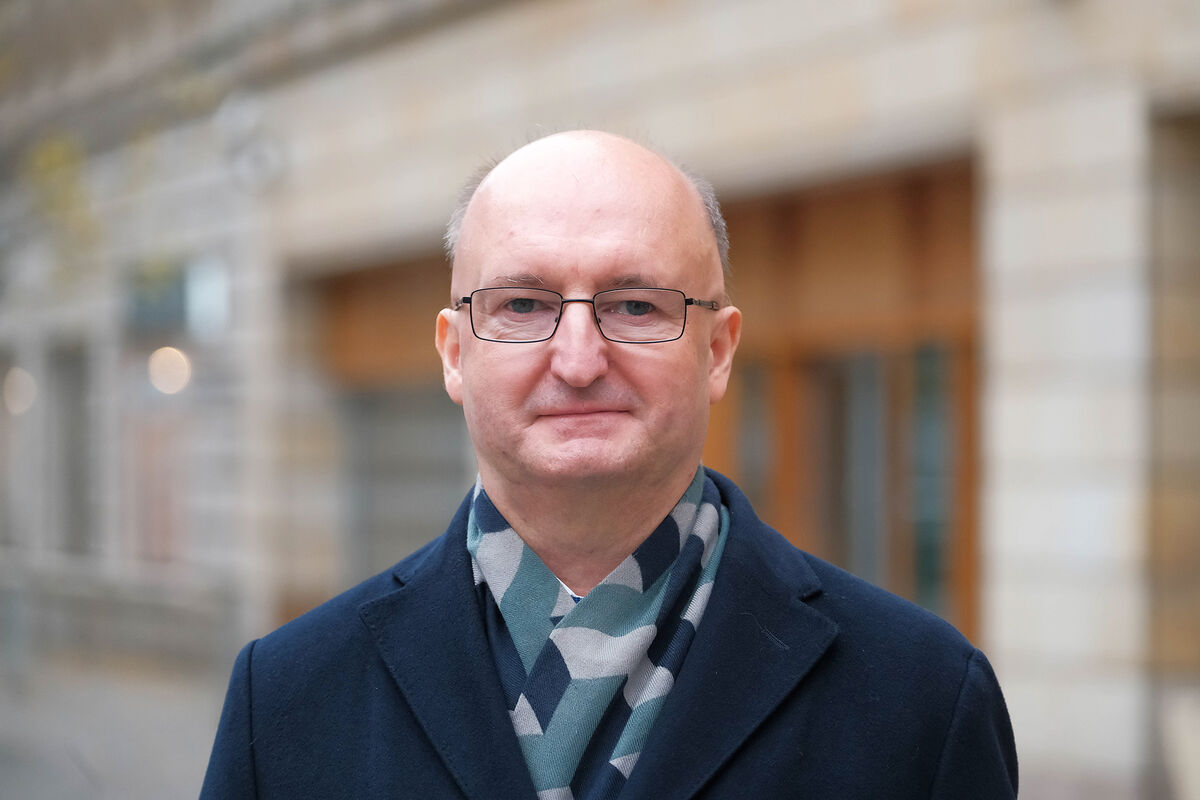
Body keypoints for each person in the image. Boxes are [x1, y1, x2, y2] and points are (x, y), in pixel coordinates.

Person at [200, 130, 1018, 799]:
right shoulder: (286, 697)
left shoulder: (923, 697)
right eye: (523, 305)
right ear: (454, 353)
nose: (579, 360)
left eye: (634, 305)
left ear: (718, 350)